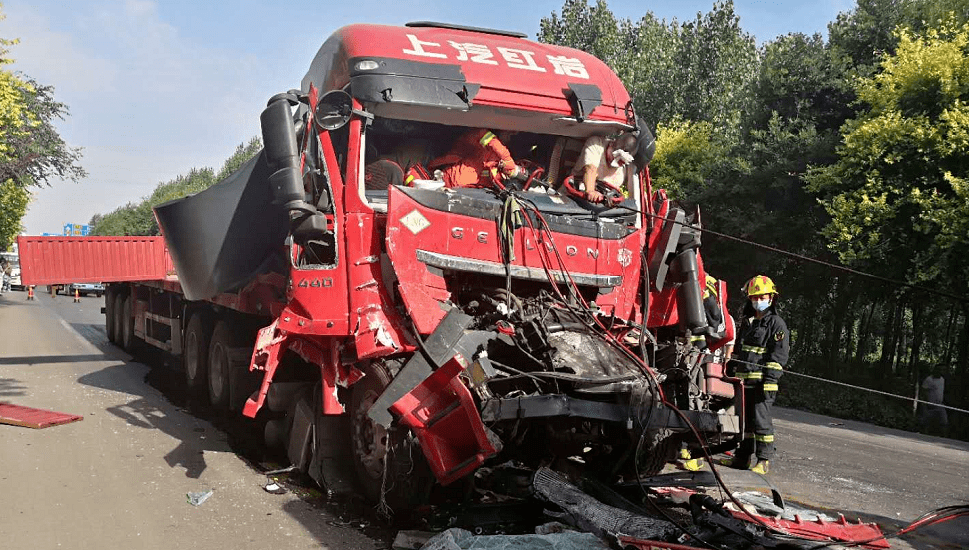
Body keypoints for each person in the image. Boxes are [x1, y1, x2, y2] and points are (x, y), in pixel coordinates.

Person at [722, 275, 789, 475]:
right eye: (754, 297)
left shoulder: (776, 324)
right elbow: (741, 352)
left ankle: (763, 461)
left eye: (762, 296)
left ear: (771, 298)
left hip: (763, 385)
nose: (758, 300)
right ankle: (742, 458)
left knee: (761, 423)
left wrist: (769, 381)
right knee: (746, 423)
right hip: (745, 382)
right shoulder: (748, 323)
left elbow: (778, 356)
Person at [427, 129, 524, 188]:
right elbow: (485, 136)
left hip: (465, 196)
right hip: (447, 183)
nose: (511, 136)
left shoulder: (495, 154)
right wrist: (506, 158)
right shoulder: (477, 137)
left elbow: (488, 176)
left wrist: (503, 173)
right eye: (510, 133)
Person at [565, 132, 638, 203]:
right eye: (614, 157)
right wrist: (590, 191)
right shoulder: (596, 144)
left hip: (598, 209)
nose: (615, 163)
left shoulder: (624, 170)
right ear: (611, 144)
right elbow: (590, 169)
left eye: (621, 162)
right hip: (570, 198)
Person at [919, 367, 948, 436]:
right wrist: (924, 403)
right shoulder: (929, 379)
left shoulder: (942, 380)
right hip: (929, 405)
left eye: (942, 370)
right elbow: (923, 391)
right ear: (935, 370)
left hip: (940, 405)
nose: (941, 372)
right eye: (939, 370)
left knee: (944, 421)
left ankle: (944, 438)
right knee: (925, 422)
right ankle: (923, 436)